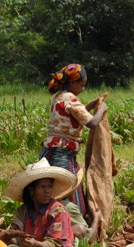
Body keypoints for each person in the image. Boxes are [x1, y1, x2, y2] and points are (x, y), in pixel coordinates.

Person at [39, 63, 108, 214]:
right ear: (72, 83)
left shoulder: (59, 96)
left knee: (59, 190)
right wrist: (101, 110)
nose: (83, 89)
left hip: (53, 150)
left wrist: (89, 107)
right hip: (62, 153)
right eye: (82, 85)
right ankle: (75, 228)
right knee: (69, 192)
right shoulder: (70, 98)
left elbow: (74, 117)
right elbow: (92, 123)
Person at [1, 158, 77, 247]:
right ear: (31, 191)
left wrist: (33, 244)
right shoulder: (23, 211)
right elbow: (16, 238)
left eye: (49, 186)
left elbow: (52, 245)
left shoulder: (57, 211)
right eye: (42, 187)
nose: (47, 191)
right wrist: (6, 237)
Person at [56, 168, 102, 244]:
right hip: (54, 246)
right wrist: (96, 218)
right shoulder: (68, 206)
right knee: (80, 229)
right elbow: (89, 238)